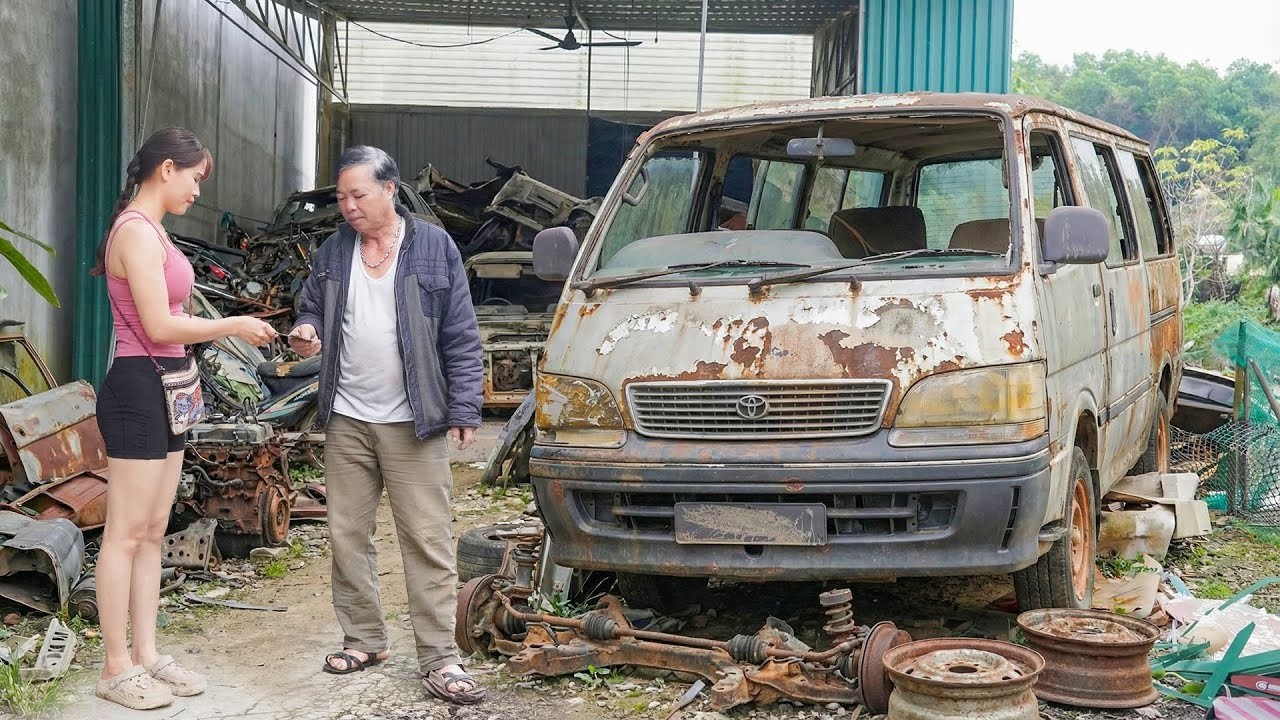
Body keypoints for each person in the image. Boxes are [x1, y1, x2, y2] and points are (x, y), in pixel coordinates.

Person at [289, 145, 486, 704]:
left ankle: (440, 657)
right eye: (342, 197)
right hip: (348, 415)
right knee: (347, 535)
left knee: (425, 538)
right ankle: (365, 638)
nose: (349, 206)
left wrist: (465, 406)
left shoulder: (432, 246)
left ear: (390, 189)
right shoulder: (333, 251)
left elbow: (460, 333)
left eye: (359, 194)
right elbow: (310, 308)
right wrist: (307, 329)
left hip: (413, 420)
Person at [91, 128, 278, 710]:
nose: (199, 190)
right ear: (167, 168)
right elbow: (159, 326)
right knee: (124, 533)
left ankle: (146, 653)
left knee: (153, 530)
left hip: (170, 386)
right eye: (196, 178)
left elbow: (176, 316)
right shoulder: (134, 233)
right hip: (139, 386)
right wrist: (234, 325)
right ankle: (114, 665)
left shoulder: (156, 233)